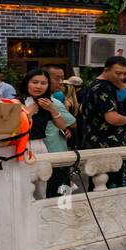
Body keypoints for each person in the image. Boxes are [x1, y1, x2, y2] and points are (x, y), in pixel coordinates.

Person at [78, 56, 126, 186]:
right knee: (110, 188)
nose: (121, 77)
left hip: (94, 143)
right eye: (118, 73)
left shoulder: (93, 84)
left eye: (125, 74)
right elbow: (112, 118)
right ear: (106, 70)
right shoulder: (104, 87)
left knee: (98, 185)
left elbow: (81, 109)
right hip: (107, 146)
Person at [23, 66, 78, 198]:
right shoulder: (17, 102)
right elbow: (15, 127)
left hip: (42, 147)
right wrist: (29, 111)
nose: (39, 86)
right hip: (22, 148)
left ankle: (58, 215)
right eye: (35, 82)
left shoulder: (49, 103)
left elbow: (63, 125)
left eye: (43, 83)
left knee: (47, 189)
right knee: (28, 190)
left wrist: (52, 109)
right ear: (27, 83)